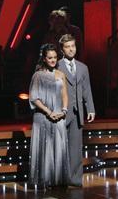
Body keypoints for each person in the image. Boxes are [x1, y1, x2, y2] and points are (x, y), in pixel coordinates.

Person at [29, 44, 69, 188]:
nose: (53, 60)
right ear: (44, 59)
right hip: (43, 116)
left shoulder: (60, 74)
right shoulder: (38, 75)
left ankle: (58, 180)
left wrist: (63, 111)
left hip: (59, 116)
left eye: (55, 57)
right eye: (49, 57)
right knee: (45, 147)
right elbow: (34, 98)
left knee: (59, 147)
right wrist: (48, 112)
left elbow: (65, 95)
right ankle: (44, 180)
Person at [57, 34, 95, 187]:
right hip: (61, 112)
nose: (71, 49)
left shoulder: (82, 67)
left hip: (78, 112)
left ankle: (75, 179)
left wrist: (90, 108)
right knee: (60, 148)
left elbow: (87, 90)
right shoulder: (56, 66)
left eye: (73, 46)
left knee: (75, 148)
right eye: (67, 47)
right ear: (62, 49)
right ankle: (60, 179)